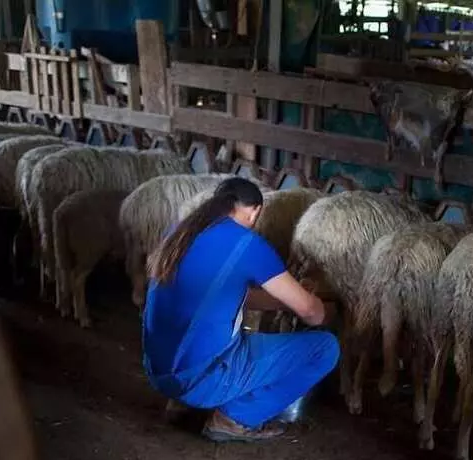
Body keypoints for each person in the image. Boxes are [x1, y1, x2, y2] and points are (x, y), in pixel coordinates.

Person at [142, 177, 340, 443]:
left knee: (216, 333)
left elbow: (225, 295)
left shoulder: (179, 232)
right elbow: (311, 313)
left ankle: (181, 405)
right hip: (201, 379)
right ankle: (235, 418)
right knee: (325, 348)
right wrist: (328, 307)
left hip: (159, 372)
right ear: (255, 210)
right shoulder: (247, 243)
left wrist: (283, 301)